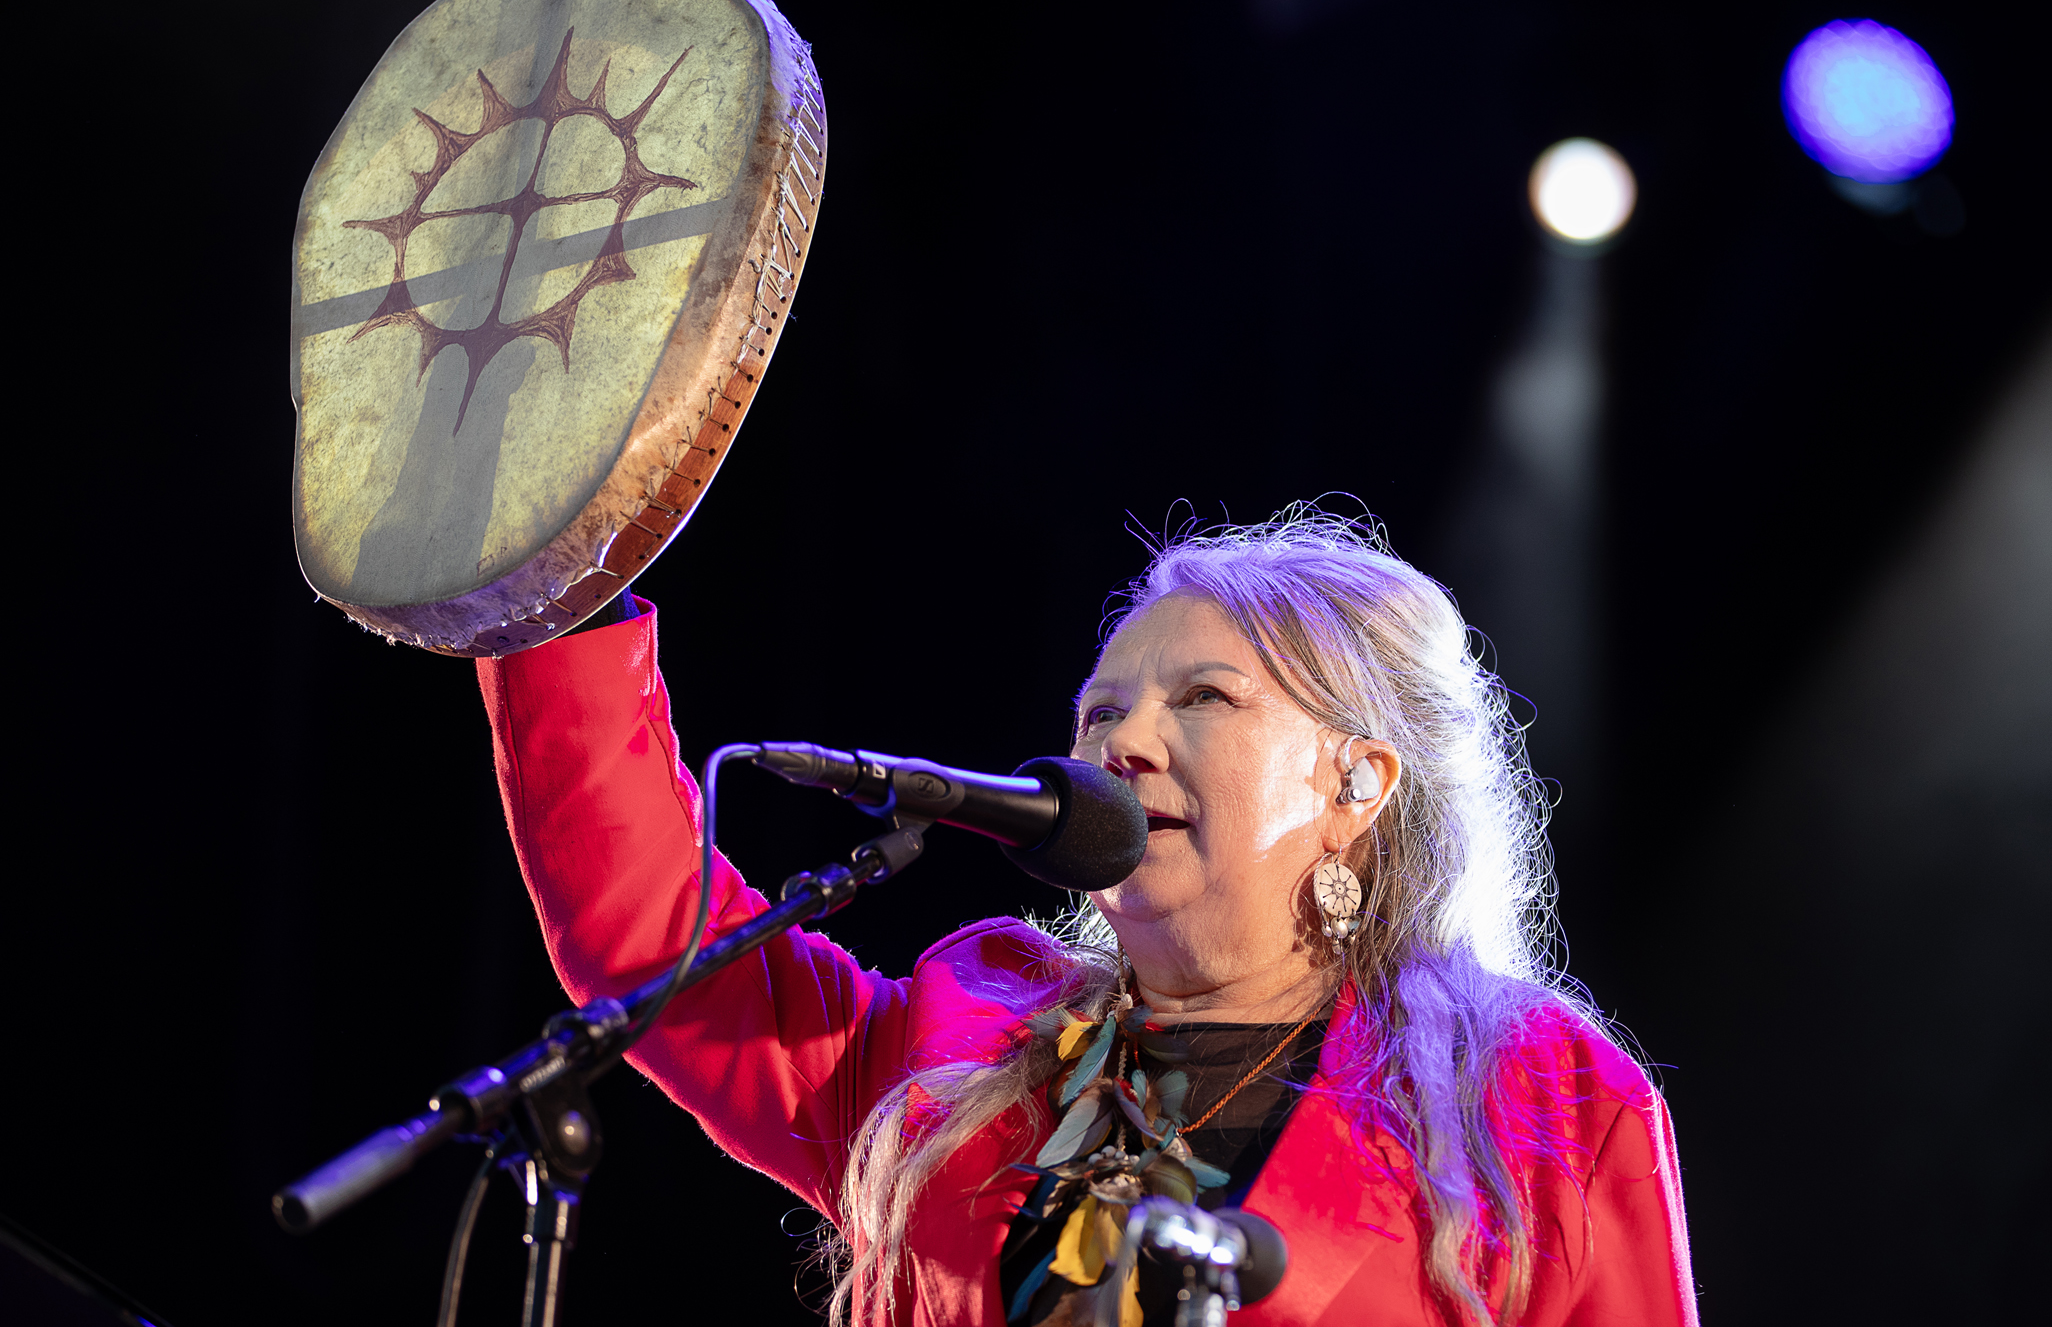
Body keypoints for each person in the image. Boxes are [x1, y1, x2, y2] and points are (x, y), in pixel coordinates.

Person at [477, 513, 1696, 1326]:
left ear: (1355, 784)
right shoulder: (961, 1046)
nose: (1119, 744)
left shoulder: (1538, 1102)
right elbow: (645, 938)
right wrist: (557, 581)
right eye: (1098, 712)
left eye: (1203, 697)